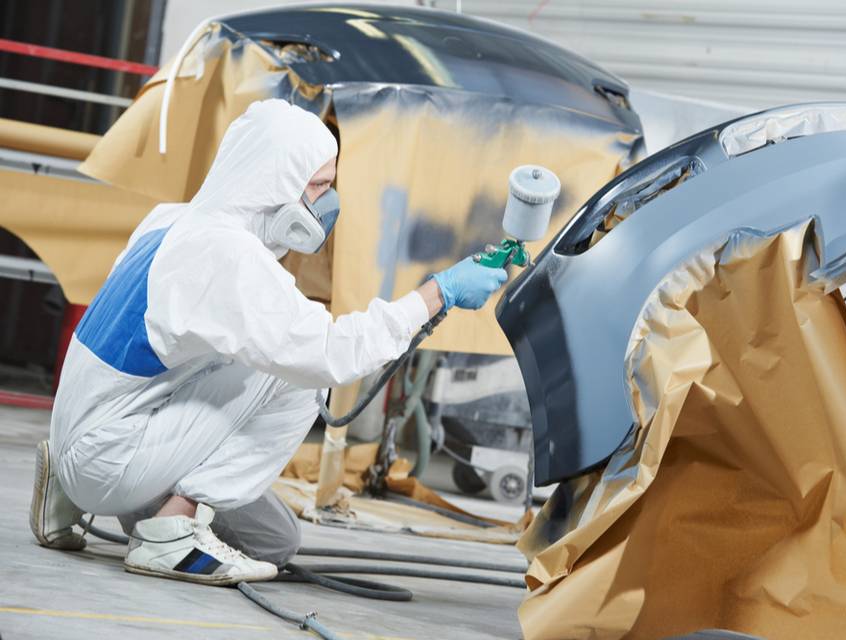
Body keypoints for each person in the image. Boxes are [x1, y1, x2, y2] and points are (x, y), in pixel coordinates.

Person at [29, 99, 507, 585]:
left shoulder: (171, 221)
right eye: (318, 185)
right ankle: (170, 532)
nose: (327, 201)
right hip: (111, 461)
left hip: (83, 436)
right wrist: (437, 293)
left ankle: (66, 492)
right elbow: (330, 354)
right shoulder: (225, 253)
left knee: (273, 541)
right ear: (273, 181)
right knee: (298, 377)